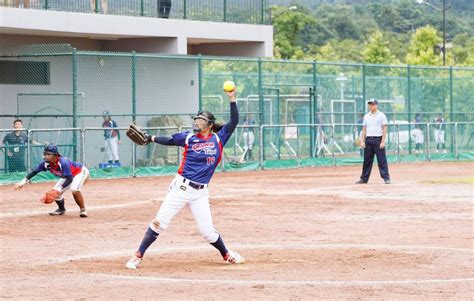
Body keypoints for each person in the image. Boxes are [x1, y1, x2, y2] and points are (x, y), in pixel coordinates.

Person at [125, 89, 244, 269]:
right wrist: (150, 138)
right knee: (159, 222)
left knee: (208, 233)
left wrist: (232, 98)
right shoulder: (189, 137)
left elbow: (234, 121)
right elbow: (170, 140)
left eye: (201, 120)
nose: (197, 122)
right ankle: (137, 256)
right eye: (196, 119)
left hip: (201, 193)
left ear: (210, 124)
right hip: (180, 188)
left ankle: (226, 254)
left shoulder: (219, 139)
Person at [14, 144, 90, 217]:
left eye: (48, 154)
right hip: (67, 176)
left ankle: (83, 210)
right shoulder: (46, 164)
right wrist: (22, 182)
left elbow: (70, 179)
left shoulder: (63, 162)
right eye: (45, 153)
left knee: (74, 189)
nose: (46, 156)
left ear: (55, 155)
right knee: (55, 192)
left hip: (80, 172)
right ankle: (61, 209)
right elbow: (34, 172)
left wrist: (59, 189)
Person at [356, 99, 391, 184]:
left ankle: (386, 178)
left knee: (381, 160)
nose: (371, 106)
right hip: (368, 140)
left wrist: (382, 142)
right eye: (369, 104)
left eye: (372, 104)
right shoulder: (366, 116)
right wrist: (362, 141)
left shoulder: (381, 115)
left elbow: (385, 129)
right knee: (367, 161)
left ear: (376, 105)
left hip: (378, 140)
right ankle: (364, 179)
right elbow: (364, 130)